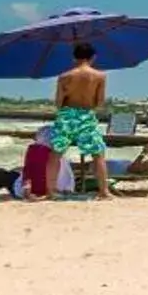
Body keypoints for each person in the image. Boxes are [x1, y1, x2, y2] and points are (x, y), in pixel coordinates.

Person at [50, 42, 113, 200]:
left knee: (56, 154)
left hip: (67, 114)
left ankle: (50, 191)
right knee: (98, 154)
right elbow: (99, 102)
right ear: (93, 57)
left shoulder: (64, 77)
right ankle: (104, 191)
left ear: (73, 58)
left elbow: (58, 103)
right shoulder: (100, 76)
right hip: (86, 115)